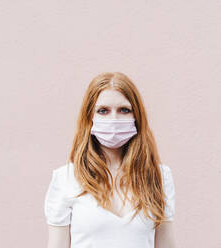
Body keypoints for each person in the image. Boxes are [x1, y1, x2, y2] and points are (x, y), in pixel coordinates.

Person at [44, 72, 176, 248]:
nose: (114, 119)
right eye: (103, 111)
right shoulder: (65, 178)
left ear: (136, 116)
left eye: (124, 110)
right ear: (90, 118)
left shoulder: (159, 176)